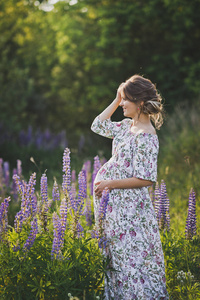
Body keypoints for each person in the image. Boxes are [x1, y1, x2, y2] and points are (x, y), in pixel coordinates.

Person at [91, 75, 169, 300]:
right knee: (116, 261)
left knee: (132, 262)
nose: (122, 104)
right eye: (122, 100)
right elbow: (97, 125)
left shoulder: (147, 136)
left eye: (126, 100)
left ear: (140, 103)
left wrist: (108, 184)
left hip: (131, 213)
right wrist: (116, 99)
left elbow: (146, 179)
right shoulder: (126, 127)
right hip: (115, 211)